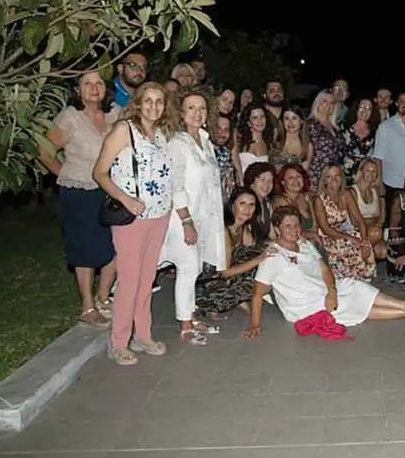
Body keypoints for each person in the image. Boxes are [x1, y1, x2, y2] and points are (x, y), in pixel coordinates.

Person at [241, 207, 405, 339]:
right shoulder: (273, 256)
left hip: (322, 291)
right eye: (288, 226)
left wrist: (332, 291)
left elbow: (324, 268)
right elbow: (257, 294)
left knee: (354, 286)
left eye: (297, 225)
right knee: (350, 302)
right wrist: (254, 325)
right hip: (302, 306)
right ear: (277, 229)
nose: (294, 230)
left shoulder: (304, 244)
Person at [92, 82, 174, 365]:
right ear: (137, 103)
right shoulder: (123, 130)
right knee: (128, 280)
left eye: (159, 101)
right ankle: (118, 342)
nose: (154, 106)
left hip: (158, 216)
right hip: (132, 218)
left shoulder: (160, 134)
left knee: (147, 280)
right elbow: (99, 172)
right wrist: (125, 199)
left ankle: (143, 335)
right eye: (148, 100)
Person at [38, 70, 118, 329]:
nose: (94, 88)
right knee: (85, 249)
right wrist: (66, 174)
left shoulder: (115, 114)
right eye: (87, 84)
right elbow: (44, 152)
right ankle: (88, 307)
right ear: (78, 90)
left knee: (116, 245)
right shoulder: (70, 117)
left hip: (110, 190)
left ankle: (103, 297)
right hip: (79, 193)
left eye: (99, 83)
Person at [160, 92, 226, 345]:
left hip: (203, 216)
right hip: (183, 217)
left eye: (201, 108)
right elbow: (175, 185)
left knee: (195, 267)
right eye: (191, 108)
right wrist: (186, 221)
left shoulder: (205, 141)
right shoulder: (178, 143)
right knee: (187, 267)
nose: (197, 113)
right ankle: (185, 325)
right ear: (181, 112)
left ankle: (190, 314)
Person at [195, 188, 275, 318]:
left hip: (224, 276)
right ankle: (210, 305)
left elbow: (253, 249)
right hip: (206, 282)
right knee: (257, 273)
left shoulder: (242, 227)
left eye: (251, 205)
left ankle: (240, 299)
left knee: (268, 258)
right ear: (232, 206)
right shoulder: (224, 231)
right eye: (242, 204)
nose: (247, 209)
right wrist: (259, 259)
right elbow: (225, 272)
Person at [314, 164, 376, 281]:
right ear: (324, 180)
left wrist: (364, 241)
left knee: (361, 240)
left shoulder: (346, 194)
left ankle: (364, 277)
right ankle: (350, 277)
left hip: (343, 232)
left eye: (337, 176)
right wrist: (350, 238)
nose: (334, 180)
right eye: (329, 177)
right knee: (350, 243)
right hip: (328, 237)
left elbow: (360, 220)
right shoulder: (319, 199)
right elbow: (325, 229)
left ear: (341, 178)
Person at [271, 164, 317, 242]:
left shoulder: (306, 197)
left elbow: (315, 226)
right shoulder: (281, 201)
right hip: (292, 242)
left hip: (311, 241)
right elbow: (289, 232)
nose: (296, 180)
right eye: (291, 178)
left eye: (298, 176)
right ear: (283, 182)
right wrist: (312, 235)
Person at [353, 159, 388, 261]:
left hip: (373, 230)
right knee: (375, 232)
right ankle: (364, 259)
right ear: (361, 171)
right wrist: (369, 222)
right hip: (356, 230)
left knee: (383, 251)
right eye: (367, 170)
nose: (371, 174)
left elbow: (379, 218)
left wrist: (371, 222)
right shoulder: (353, 191)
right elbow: (354, 221)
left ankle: (367, 260)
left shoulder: (375, 190)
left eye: (374, 171)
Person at [307, 89, 341, 190]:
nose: (328, 105)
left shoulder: (335, 127)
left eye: (331, 103)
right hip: (315, 175)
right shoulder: (310, 124)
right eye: (324, 101)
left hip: (332, 176)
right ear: (317, 103)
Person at [338, 98, 378, 184]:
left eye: (368, 108)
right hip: (344, 176)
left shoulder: (375, 132)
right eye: (362, 107)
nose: (365, 111)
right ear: (356, 109)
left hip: (364, 177)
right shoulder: (343, 127)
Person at [235, 103, 274, 182]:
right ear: (248, 122)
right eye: (255, 118)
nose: (260, 120)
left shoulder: (269, 144)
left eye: (262, 116)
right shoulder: (239, 141)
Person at [244, 162, 276, 242]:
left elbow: (273, 236)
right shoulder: (245, 205)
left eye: (270, 181)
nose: (267, 184)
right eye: (263, 179)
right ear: (251, 182)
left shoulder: (267, 204)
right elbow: (248, 242)